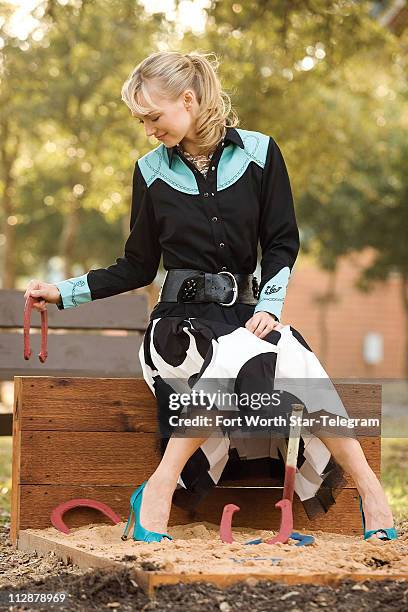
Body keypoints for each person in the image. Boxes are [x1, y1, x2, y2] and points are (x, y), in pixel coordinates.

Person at [24, 51, 397, 543]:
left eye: (153, 117)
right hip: (178, 330)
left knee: (289, 352)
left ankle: (371, 491)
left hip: (247, 320)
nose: (148, 131)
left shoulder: (261, 154)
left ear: (189, 99)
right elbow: (137, 265)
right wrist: (63, 292)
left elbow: (282, 240)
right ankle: (160, 491)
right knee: (248, 352)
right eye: (141, 121)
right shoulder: (150, 171)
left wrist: (269, 306)